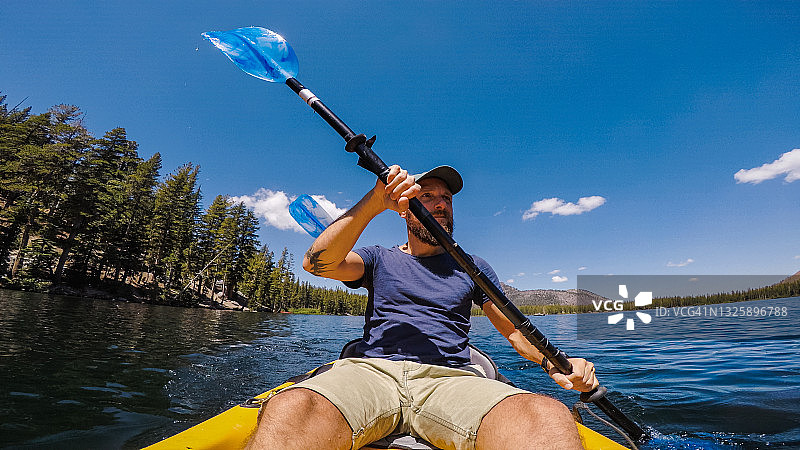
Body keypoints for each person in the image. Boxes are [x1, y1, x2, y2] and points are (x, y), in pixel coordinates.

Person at [247, 165, 599, 450]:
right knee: (293, 407)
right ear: (406, 210)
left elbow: (514, 332)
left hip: (451, 379)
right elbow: (316, 264)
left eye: (445, 198)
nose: (440, 203)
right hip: (372, 372)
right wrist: (375, 200)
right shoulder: (377, 258)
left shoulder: (472, 266)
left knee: (545, 414)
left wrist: (554, 362)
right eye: (427, 196)